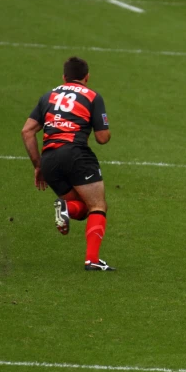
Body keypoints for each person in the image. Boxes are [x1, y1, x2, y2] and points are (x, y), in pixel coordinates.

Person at [20, 56, 114, 271]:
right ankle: (92, 260)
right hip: (76, 154)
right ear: (87, 77)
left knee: (82, 210)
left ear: (64, 77)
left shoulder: (48, 96)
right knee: (98, 206)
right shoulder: (92, 96)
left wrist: (38, 166)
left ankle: (66, 209)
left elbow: (27, 131)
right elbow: (102, 137)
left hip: (49, 160)